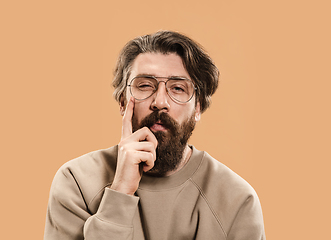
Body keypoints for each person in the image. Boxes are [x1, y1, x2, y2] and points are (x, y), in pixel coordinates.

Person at [44, 30, 266, 240]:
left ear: (197, 108)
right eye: (145, 85)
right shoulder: (75, 182)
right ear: (123, 102)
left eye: (178, 88)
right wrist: (120, 192)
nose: (160, 102)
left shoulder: (237, 200)